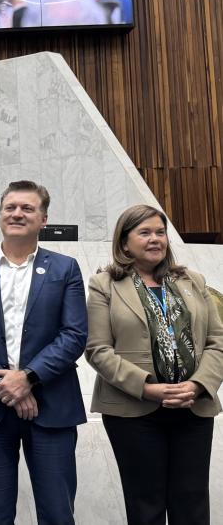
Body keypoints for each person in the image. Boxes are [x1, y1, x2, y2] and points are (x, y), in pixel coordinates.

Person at [0, 180, 88, 524]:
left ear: (44, 219)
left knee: (57, 512)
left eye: (27, 208)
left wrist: (28, 378)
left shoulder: (65, 268)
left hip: (52, 405)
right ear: (0, 215)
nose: (17, 213)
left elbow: (74, 334)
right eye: (10, 207)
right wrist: (5, 385)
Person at [85, 205, 223, 525]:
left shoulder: (193, 281)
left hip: (193, 407)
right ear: (124, 243)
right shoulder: (104, 285)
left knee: (192, 503)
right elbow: (97, 349)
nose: (155, 239)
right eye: (144, 233)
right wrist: (146, 387)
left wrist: (199, 384)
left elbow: (218, 342)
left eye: (160, 232)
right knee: (145, 505)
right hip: (133, 412)